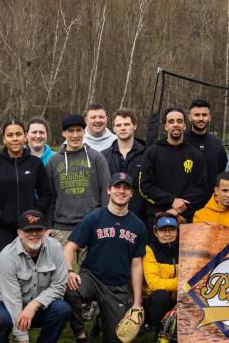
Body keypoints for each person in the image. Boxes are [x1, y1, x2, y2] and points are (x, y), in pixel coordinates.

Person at [0, 120, 53, 343]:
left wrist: (34, 216)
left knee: (29, 274)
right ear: (3, 138)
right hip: (0, 228)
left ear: (25, 136)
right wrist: (0, 214)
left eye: (19, 134)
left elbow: (46, 194)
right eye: (10, 135)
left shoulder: (34, 163)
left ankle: (22, 319)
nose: (15, 138)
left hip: (29, 231)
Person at [63, 172, 147, 342]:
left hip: (117, 287)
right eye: (117, 187)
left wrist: (137, 303)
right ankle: (80, 335)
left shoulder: (138, 226)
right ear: (109, 190)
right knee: (70, 290)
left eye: (126, 188)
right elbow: (69, 247)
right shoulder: (94, 218)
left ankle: (102, 319)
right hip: (92, 278)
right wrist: (70, 271)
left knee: (117, 338)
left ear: (131, 193)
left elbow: (137, 265)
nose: (121, 191)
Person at [0, 209, 71, 343]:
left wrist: (33, 305)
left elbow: (59, 285)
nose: (34, 234)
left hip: (38, 304)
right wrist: (23, 338)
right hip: (6, 303)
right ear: (19, 233)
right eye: (28, 230)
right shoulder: (7, 256)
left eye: (38, 229)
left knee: (62, 309)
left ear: (44, 231)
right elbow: (13, 301)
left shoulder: (55, 247)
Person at [47, 113, 110, 264]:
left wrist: (104, 222)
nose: (75, 135)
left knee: (91, 272)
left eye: (78, 130)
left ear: (84, 131)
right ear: (64, 133)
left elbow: (106, 193)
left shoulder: (97, 158)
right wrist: (48, 226)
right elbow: (49, 196)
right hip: (61, 227)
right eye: (70, 131)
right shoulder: (53, 161)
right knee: (60, 273)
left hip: (91, 225)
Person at [139, 107, 207, 225]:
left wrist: (178, 209)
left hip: (186, 219)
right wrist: (171, 201)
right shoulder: (152, 152)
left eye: (179, 121)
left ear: (184, 125)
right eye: (171, 122)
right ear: (165, 126)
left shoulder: (196, 156)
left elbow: (200, 189)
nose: (175, 125)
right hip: (157, 217)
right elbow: (145, 186)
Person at [102, 108, 148, 221]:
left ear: (134, 126)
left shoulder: (147, 155)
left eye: (126, 124)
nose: (122, 128)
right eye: (118, 125)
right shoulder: (103, 157)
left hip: (141, 217)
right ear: (113, 128)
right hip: (110, 216)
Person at [143, 212, 180, 333]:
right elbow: (154, 284)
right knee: (160, 295)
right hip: (155, 301)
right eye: (163, 230)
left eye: (172, 230)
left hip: (180, 296)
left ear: (177, 231)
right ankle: (161, 333)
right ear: (155, 232)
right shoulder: (149, 250)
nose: (168, 234)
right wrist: (182, 283)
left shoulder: (185, 248)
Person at [183, 98, 228, 196]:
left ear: (209, 117)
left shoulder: (217, 144)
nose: (201, 118)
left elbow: (221, 173)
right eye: (197, 115)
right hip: (184, 201)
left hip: (210, 201)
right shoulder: (180, 141)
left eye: (204, 115)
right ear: (190, 117)